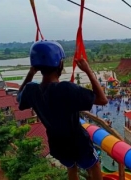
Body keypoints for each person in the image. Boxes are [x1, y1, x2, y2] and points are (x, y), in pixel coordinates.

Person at [17, 40, 107, 180]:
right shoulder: (66, 89)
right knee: (94, 166)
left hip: (57, 144)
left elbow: (19, 97)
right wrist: (88, 70)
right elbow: (102, 100)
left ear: (36, 65)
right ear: (60, 64)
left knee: (71, 167)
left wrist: (30, 73)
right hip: (79, 143)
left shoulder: (31, 90)